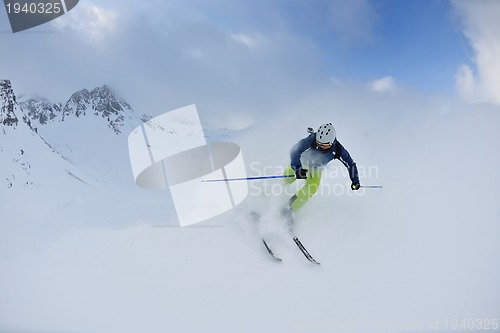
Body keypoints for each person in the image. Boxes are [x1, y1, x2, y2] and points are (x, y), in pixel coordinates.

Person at [283, 123, 360, 212]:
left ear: (331, 142)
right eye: (318, 143)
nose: (320, 146)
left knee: (312, 188)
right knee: (285, 180)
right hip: (301, 162)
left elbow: (350, 164)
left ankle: (290, 209)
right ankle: (267, 196)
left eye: (324, 145)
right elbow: (294, 150)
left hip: (316, 169)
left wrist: (355, 181)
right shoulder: (312, 139)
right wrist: (297, 168)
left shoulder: (338, 150)